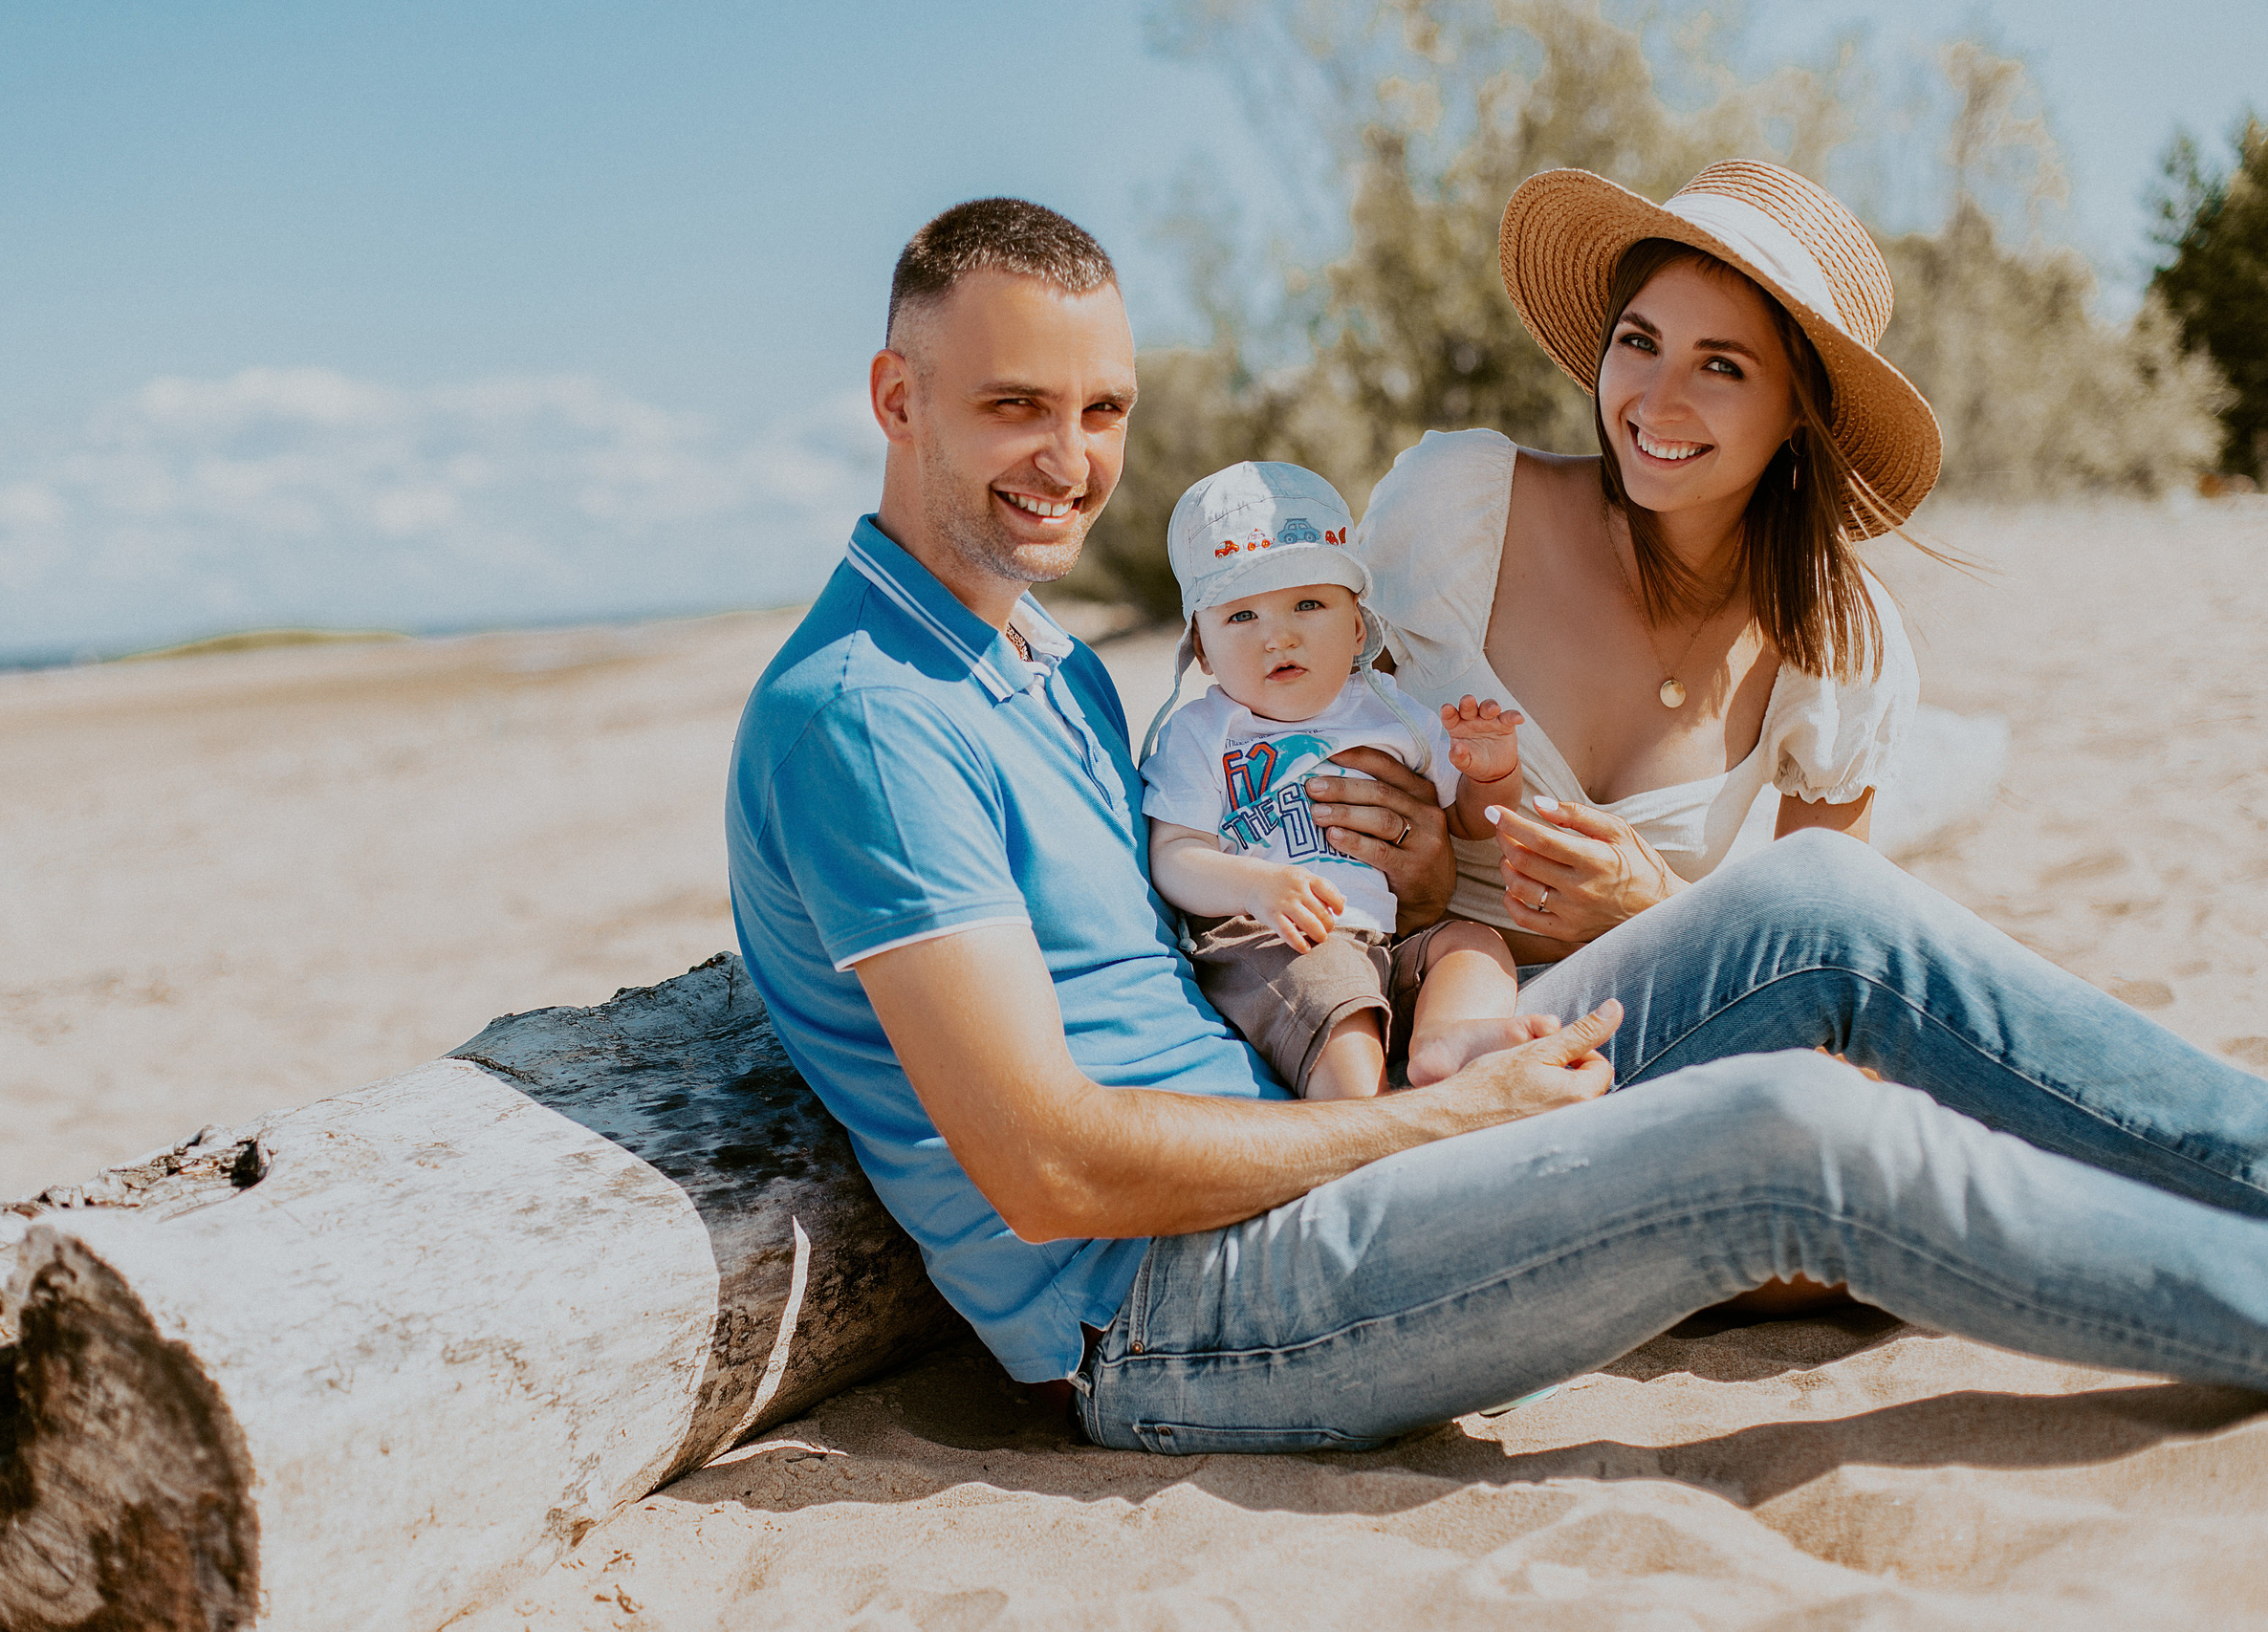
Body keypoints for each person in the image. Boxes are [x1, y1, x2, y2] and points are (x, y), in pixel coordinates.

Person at [725, 193, 2268, 1454]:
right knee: (1791, 1139)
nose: (1071, 463)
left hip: (1306, 1153)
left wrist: (1406, 938)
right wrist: (1450, 1116)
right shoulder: (867, 716)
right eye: (1015, 408)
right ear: (894, 397)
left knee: (1823, 903)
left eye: (1103, 409)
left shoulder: (1033, 659)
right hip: (1167, 1314)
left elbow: (1210, 917)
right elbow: (1050, 1170)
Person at [1319, 161, 1940, 971]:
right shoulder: (1460, 511)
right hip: (1377, 1006)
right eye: (1639, 341)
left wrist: (1655, 908)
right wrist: (1426, 876)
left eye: (1722, 365)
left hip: (1642, 1032)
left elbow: (1825, 965)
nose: (1655, 400)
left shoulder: (1835, 636)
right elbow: (1280, 728)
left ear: (1800, 412)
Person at [1137, 459, 1533, 1100]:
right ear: (1202, 650)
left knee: (1472, 943)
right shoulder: (1204, 731)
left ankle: (1445, 1038)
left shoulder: (1392, 711)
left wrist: (1493, 773)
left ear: (1356, 627)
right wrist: (1258, 886)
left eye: (1308, 603)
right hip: (1275, 943)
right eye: (1242, 616)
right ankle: (1363, 1121)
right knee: (1340, 1011)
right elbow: (1175, 855)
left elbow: (1469, 820)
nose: (1279, 635)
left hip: (1383, 942)